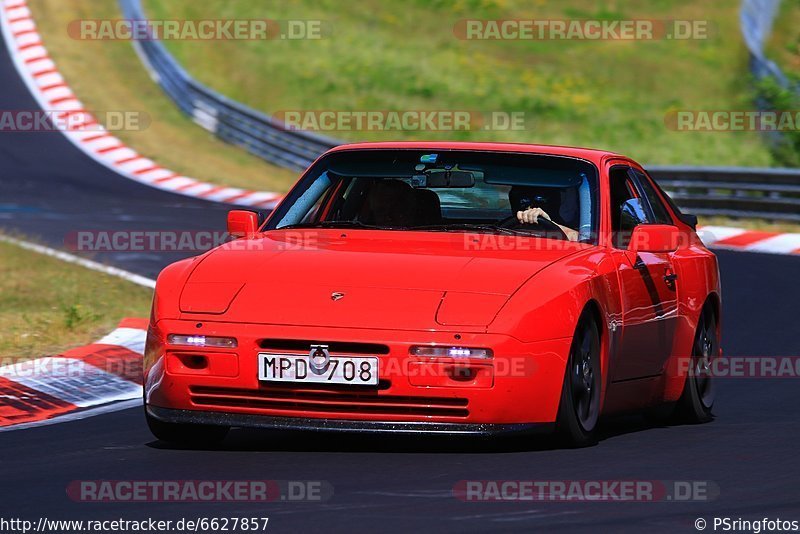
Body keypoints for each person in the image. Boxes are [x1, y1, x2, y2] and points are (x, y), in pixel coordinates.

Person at [510, 186, 579, 241]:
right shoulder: (502, 227)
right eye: (523, 202)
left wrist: (551, 224)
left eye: (540, 201)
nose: (530, 210)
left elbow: (585, 241)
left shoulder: (578, 229)